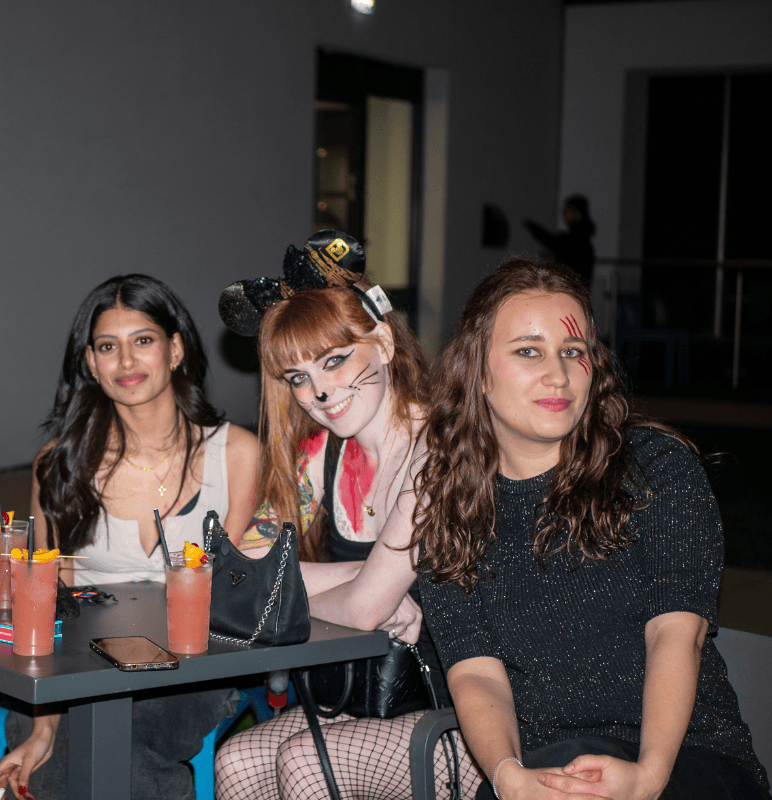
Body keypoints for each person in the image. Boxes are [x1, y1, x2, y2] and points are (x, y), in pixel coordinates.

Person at [413, 257, 769, 800]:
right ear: (478, 373)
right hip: (543, 766)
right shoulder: (451, 507)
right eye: (528, 351)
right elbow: (475, 675)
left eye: (572, 353)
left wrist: (648, 777)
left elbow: (677, 633)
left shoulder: (654, 468)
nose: (557, 374)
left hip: (686, 759)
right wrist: (508, 777)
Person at [213, 231, 482, 800]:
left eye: (335, 361)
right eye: (298, 377)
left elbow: (360, 612)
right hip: (371, 700)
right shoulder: (322, 456)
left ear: (383, 343)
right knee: (237, 759)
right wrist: (356, 580)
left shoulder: (441, 451)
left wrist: (357, 596)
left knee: (306, 765)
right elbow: (241, 571)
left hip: (470, 709)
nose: (318, 392)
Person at [0, 274, 259, 800]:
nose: (126, 362)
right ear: (91, 363)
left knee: (124, 749)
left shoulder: (236, 454)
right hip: (83, 663)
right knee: (52, 760)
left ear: (176, 349)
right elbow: (47, 599)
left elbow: (237, 587)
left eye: (144, 341)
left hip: (194, 666)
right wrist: (44, 722)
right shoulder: (60, 465)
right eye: (108, 347)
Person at [523, 195, 596, 288]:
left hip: (573, 290)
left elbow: (550, 241)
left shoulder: (576, 240)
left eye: (568, 210)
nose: (564, 213)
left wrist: (531, 226)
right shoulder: (579, 240)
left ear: (578, 214)